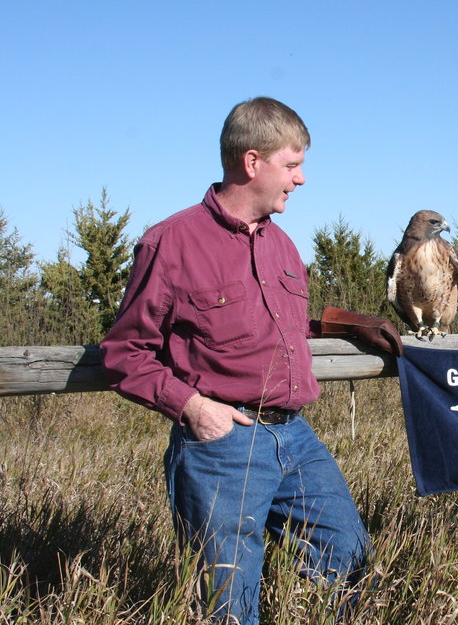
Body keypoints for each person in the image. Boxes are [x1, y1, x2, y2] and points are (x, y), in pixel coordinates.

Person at [100, 97, 403, 624]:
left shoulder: (282, 245)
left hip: (295, 437)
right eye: (292, 165)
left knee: (349, 558)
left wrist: (352, 324)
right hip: (224, 443)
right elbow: (125, 353)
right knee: (227, 600)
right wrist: (194, 408)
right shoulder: (170, 243)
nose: (301, 179)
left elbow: (274, 327)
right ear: (252, 162)